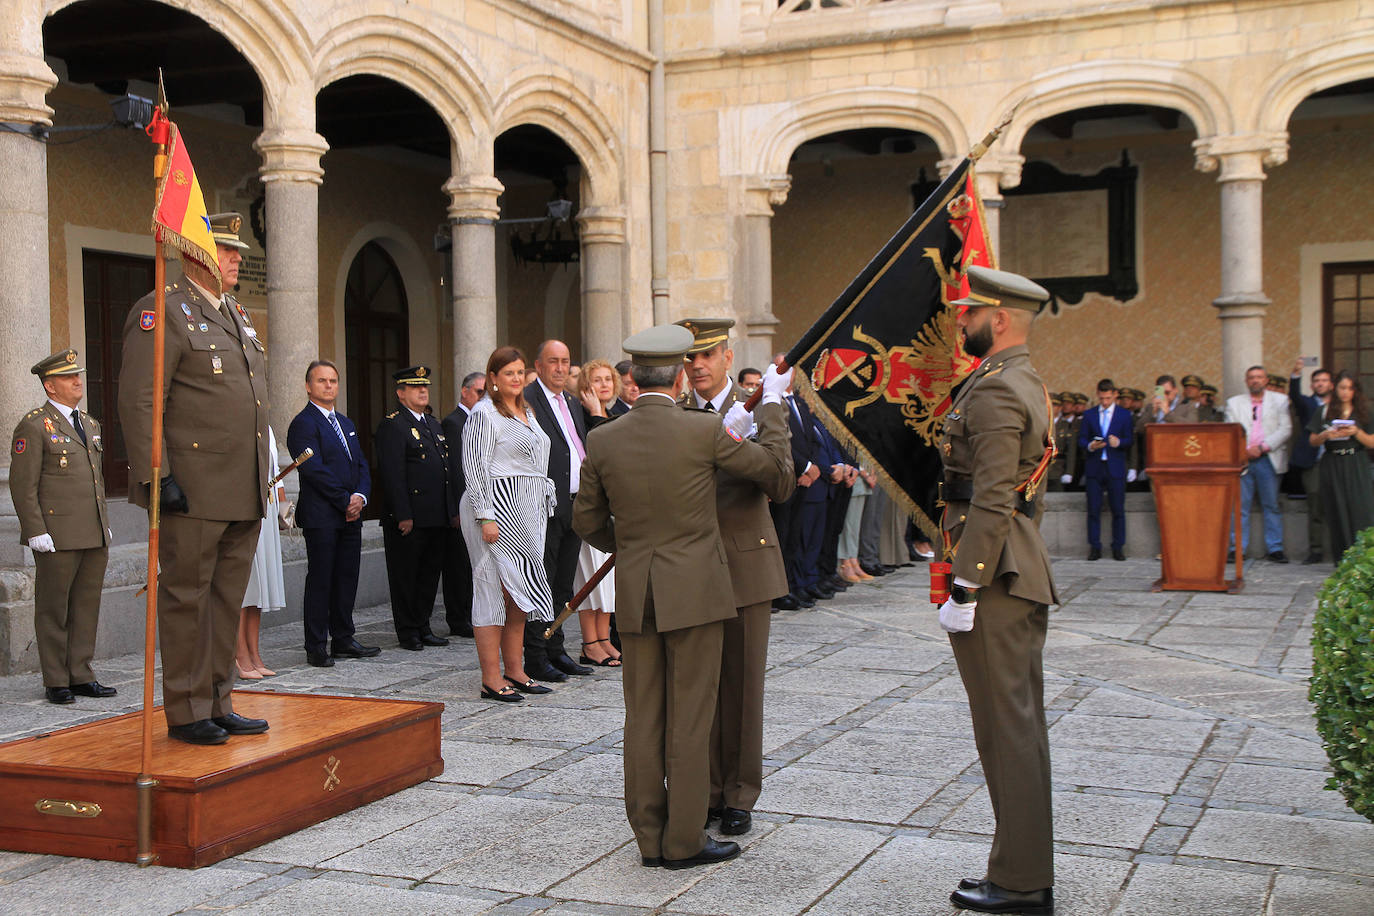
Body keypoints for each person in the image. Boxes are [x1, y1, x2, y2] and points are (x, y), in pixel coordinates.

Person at [573, 324, 793, 870]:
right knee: (692, 719)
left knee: (643, 717)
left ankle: (649, 836)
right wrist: (771, 410)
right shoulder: (702, 430)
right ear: (676, 376)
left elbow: (587, 521)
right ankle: (685, 839)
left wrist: (631, 543)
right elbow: (775, 474)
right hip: (696, 591)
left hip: (637, 594)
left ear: (631, 379)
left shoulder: (603, 437)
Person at [118, 212, 269, 745]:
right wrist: (157, 475)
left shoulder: (236, 314)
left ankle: (218, 700)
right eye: (223, 251)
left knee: (225, 601)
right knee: (186, 599)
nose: (235, 259)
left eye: (236, 252)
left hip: (242, 488)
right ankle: (186, 710)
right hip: (194, 487)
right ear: (192, 255)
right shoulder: (161, 311)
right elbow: (141, 400)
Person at [937, 265, 1058, 916]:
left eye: (969, 313)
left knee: (1005, 728)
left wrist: (964, 587)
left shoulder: (994, 391)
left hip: (997, 575)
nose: (961, 321)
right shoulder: (1024, 380)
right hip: (1016, 564)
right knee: (1018, 724)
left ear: (999, 318)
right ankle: (1023, 867)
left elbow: (989, 499)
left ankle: (1019, 881)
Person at [675, 317, 796, 837]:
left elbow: (782, 480)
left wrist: (766, 414)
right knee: (698, 688)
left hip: (746, 563)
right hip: (692, 568)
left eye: (707, 356)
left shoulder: (754, 409)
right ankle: (705, 790)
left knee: (742, 687)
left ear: (727, 356)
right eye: (689, 358)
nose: (697, 366)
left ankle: (740, 793)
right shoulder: (675, 416)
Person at [9, 348, 114, 705]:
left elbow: (95, 480)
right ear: (50, 386)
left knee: (86, 606)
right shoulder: (34, 425)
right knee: (54, 608)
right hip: (56, 534)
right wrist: (35, 529)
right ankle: (56, 679)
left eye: (78, 375)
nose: (77, 381)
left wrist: (104, 523)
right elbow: (23, 485)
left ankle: (81, 673)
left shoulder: (90, 423)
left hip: (92, 531)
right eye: (69, 377)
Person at [461, 346, 557, 701]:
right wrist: (485, 515)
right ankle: (491, 677)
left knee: (520, 593)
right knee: (492, 589)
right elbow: (474, 468)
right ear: (493, 379)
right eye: (509, 373)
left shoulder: (527, 411)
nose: (517, 379)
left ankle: (516, 670)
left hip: (528, 511)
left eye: (520, 373)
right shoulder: (483, 414)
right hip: (495, 509)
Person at [287, 359, 379, 667]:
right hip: (322, 515)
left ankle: (343, 638)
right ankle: (316, 645)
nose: (329, 386)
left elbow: (361, 464)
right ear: (308, 386)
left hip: (351, 514)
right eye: (322, 381)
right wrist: (344, 500)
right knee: (322, 580)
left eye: (333, 380)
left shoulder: (346, 423)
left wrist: (361, 496)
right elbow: (314, 470)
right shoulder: (303, 423)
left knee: (346, 578)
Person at [375, 365, 460, 649]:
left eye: (425, 387)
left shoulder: (433, 424)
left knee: (428, 575)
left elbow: (446, 472)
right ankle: (408, 629)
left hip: (436, 515)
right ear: (401, 393)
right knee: (406, 575)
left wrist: (451, 512)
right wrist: (403, 514)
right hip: (410, 517)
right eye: (415, 387)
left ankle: (423, 625)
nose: (423, 391)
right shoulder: (393, 425)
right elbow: (393, 474)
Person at [524, 340, 594, 682]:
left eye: (565, 361)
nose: (561, 368)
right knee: (542, 581)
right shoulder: (528, 399)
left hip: (575, 503)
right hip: (543, 504)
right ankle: (535, 654)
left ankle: (556, 646)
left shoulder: (570, 400)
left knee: (565, 584)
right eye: (553, 361)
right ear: (539, 366)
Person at [572, 358, 622, 666]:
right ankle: (589, 642)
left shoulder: (615, 415)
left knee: (608, 578)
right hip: (590, 504)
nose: (604, 384)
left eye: (608, 379)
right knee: (589, 575)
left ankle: (604, 638)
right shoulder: (581, 415)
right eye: (597, 379)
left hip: (613, 505)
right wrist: (594, 415)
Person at [1225, 365, 1292, 563]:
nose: (1255, 380)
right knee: (1239, 506)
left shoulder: (1280, 401)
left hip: (1268, 458)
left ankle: (1275, 548)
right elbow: (1231, 430)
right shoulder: (1234, 403)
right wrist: (1245, 450)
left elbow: (1285, 429)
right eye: (1251, 377)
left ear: (1266, 380)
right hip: (1243, 459)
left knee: (1270, 505)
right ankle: (1237, 548)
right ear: (1247, 381)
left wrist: (1262, 447)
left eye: (1259, 377)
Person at [236, 425, 288, 679]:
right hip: (242, 506)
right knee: (244, 584)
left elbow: (275, 471)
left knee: (260, 588)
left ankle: (255, 653)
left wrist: (285, 509)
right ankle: (239, 654)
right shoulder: (233, 417)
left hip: (266, 510)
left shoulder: (265, 426)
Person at [1307, 370, 1374, 562]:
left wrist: (1356, 432)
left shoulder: (1365, 411)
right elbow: (1312, 440)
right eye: (1342, 388)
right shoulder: (1324, 411)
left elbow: (1371, 442)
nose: (1345, 392)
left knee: (1361, 508)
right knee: (1336, 509)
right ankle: (1341, 559)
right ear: (1335, 388)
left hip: (1356, 461)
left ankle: (1363, 559)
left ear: (1355, 391)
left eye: (1350, 388)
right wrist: (1326, 435)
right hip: (1332, 462)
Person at [440, 370, 487, 639]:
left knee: (473, 564)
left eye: (485, 393)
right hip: (464, 502)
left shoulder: (480, 420)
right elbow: (457, 468)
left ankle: (469, 613)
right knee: (458, 565)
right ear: (465, 392)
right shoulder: (455, 422)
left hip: (479, 502)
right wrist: (458, 507)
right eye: (478, 392)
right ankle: (458, 618)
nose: (482, 397)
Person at [1080, 378, 1133, 561]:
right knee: (1093, 509)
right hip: (1095, 467)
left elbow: (1130, 441)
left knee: (1118, 509)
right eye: (1102, 398)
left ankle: (1118, 547)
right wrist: (1091, 446)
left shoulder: (1124, 415)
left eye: (1108, 398)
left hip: (1115, 467)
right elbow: (1081, 440)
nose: (1104, 402)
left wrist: (1119, 443)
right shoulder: (1089, 415)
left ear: (1115, 395)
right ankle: (1095, 546)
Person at [1290, 362, 1332, 564]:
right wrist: (1296, 375)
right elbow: (1295, 397)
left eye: (1324, 380)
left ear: (1331, 384)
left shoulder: (1340, 405)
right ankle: (1315, 550)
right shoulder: (1307, 404)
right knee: (1315, 506)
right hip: (1313, 462)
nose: (1320, 384)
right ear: (1312, 385)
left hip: (1337, 461)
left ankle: (1343, 548)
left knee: (1339, 505)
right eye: (1316, 381)